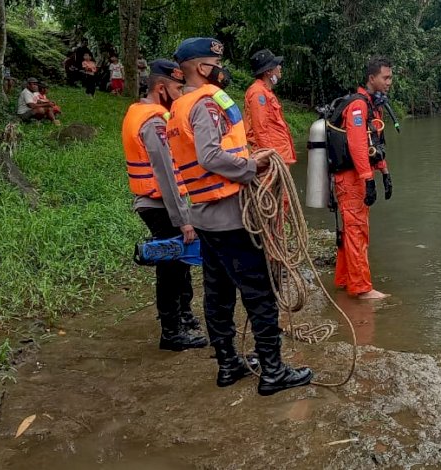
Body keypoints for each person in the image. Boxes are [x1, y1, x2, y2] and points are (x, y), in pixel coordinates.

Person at [166, 37, 312, 396]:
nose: (222, 69)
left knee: (218, 292)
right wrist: (253, 163)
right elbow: (211, 156)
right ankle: (273, 372)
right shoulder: (205, 104)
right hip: (229, 216)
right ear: (203, 68)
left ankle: (229, 364)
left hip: (204, 216)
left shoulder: (178, 107)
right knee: (259, 292)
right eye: (217, 63)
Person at [121, 59, 208, 351]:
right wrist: (184, 218)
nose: (180, 94)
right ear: (161, 88)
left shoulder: (141, 112)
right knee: (171, 264)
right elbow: (166, 176)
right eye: (176, 88)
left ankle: (183, 315)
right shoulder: (155, 122)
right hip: (160, 204)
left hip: (161, 202)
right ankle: (172, 332)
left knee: (180, 260)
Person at [332, 57, 394, 300]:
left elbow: (374, 145)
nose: (389, 82)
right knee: (357, 231)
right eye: (385, 77)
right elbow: (358, 145)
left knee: (351, 231)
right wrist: (368, 179)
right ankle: (361, 289)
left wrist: (385, 172)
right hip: (351, 178)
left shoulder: (371, 105)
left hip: (357, 175)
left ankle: (344, 280)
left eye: (390, 77)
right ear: (371, 78)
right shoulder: (358, 106)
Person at [243, 49, 295, 164]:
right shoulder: (258, 93)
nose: (280, 67)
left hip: (280, 154)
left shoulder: (265, 91)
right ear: (268, 71)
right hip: (273, 157)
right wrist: (269, 156)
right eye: (277, 65)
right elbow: (260, 128)